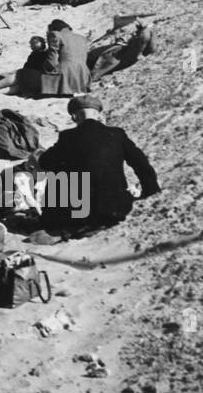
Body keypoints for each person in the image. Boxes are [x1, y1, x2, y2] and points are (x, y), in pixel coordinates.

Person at [34, 95, 160, 240]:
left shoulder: (68, 137)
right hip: (117, 209)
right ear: (98, 115)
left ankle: (52, 221)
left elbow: (45, 162)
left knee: (56, 173)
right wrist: (151, 192)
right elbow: (142, 164)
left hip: (79, 214)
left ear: (74, 116)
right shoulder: (118, 134)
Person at [43, 19, 91, 95]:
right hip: (83, 76)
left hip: (65, 75)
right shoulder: (82, 38)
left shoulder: (55, 35)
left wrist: (47, 68)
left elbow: (52, 60)